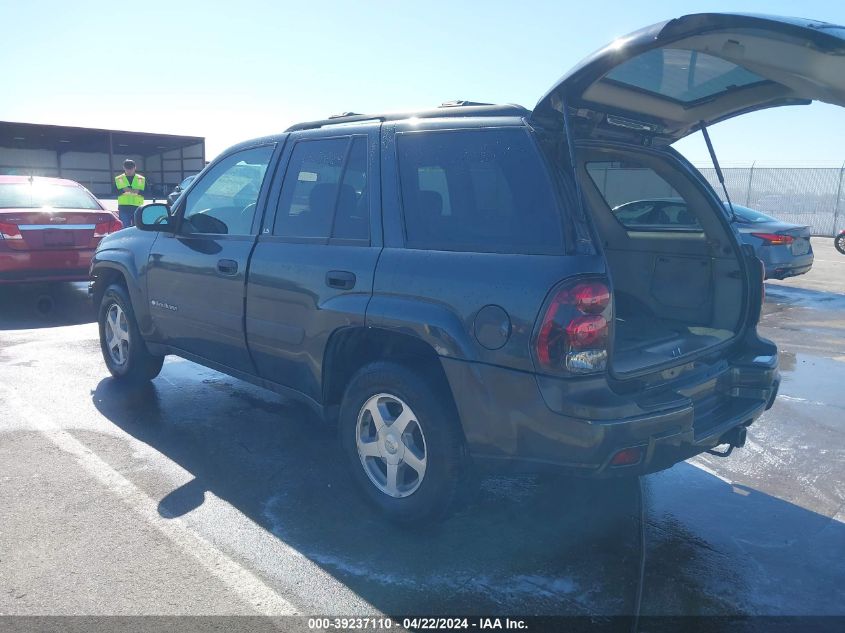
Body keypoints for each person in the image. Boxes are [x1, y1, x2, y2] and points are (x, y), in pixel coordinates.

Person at [114, 159, 146, 228]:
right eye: (127, 169)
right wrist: (135, 191)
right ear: (124, 168)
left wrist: (127, 190)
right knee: (124, 229)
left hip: (137, 208)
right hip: (124, 209)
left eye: (131, 169)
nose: (129, 171)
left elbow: (147, 192)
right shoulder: (119, 179)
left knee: (138, 229)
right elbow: (114, 192)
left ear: (135, 168)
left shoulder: (141, 179)